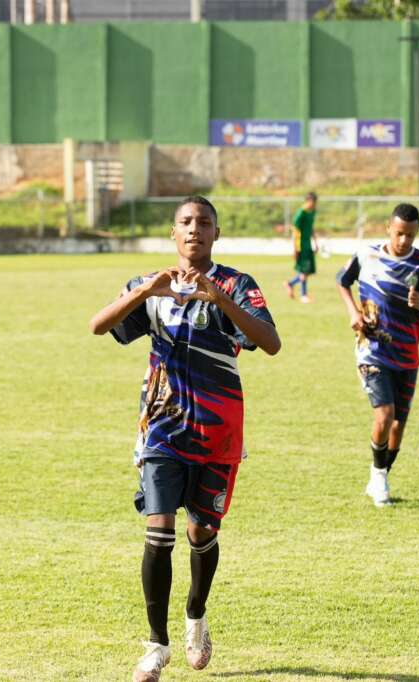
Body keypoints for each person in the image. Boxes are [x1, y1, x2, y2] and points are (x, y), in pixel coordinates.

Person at [89, 195, 280, 682]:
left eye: (204, 223)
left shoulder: (237, 285)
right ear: (173, 234)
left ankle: (196, 614)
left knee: (201, 532)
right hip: (163, 427)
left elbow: (269, 342)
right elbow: (98, 325)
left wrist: (218, 298)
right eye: (186, 222)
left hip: (218, 432)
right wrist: (145, 291)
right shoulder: (150, 287)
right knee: (159, 529)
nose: (195, 229)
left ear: (216, 234)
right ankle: (156, 645)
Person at [335, 203, 419, 507]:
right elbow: (342, 281)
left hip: (407, 355)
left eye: (410, 236)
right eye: (399, 234)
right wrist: (354, 312)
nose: (403, 241)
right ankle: (378, 476)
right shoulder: (367, 254)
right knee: (384, 415)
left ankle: (381, 472)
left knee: (398, 425)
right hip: (371, 351)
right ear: (388, 228)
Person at [286, 192, 319, 303]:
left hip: (308, 245)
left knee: (308, 271)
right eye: (313, 202)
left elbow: (311, 228)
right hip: (300, 246)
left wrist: (316, 242)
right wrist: (295, 248)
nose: (314, 204)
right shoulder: (301, 213)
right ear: (308, 201)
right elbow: (295, 231)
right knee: (304, 271)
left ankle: (290, 284)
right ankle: (303, 295)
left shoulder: (312, 212)